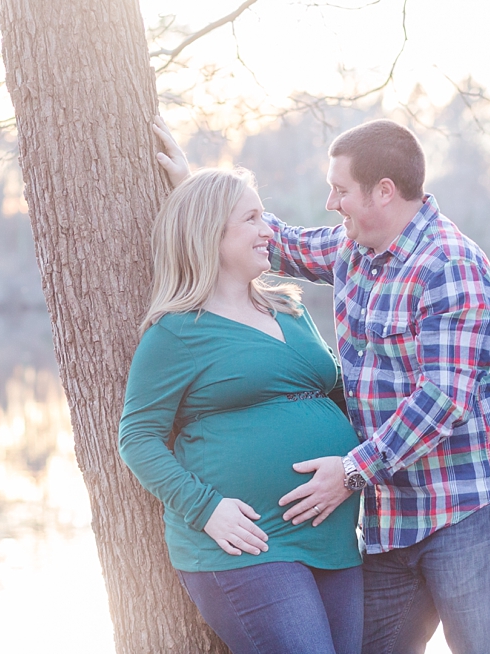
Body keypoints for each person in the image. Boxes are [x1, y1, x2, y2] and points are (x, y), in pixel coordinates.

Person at [153, 117, 490, 654]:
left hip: (472, 508)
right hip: (394, 519)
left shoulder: (448, 264)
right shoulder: (353, 250)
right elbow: (275, 242)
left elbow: (443, 399)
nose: (332, 202)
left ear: (383, 192)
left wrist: (352, 472)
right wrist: (200, 193)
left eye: (340, 190)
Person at [118, 166, 364, 654]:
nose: (268, 230)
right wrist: (205, 509)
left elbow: (335, 391)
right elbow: (137, 437)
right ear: (211, 232)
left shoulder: (290, 309)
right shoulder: (176, 331)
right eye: (252, 218)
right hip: (247, 545)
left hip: (332, 536)